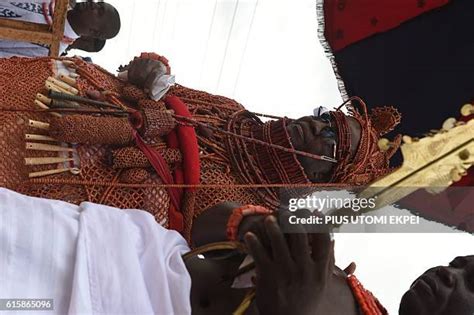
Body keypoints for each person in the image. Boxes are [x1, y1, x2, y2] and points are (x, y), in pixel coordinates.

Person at [0, 52, 401, 243]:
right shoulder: (234, 112)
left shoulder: (253, 214)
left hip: (48, 195)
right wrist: (151, 75)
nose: (318, 126)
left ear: (324, 181)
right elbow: (158, 87)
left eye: (331, 140)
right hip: (53, 98)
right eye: (327, 118)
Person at [0, 1, 120, 58]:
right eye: (98, 3)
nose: (93, 4)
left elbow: (4, 56)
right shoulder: (58, 2)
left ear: (94, 32)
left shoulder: (50, 51)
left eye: (99, 11)